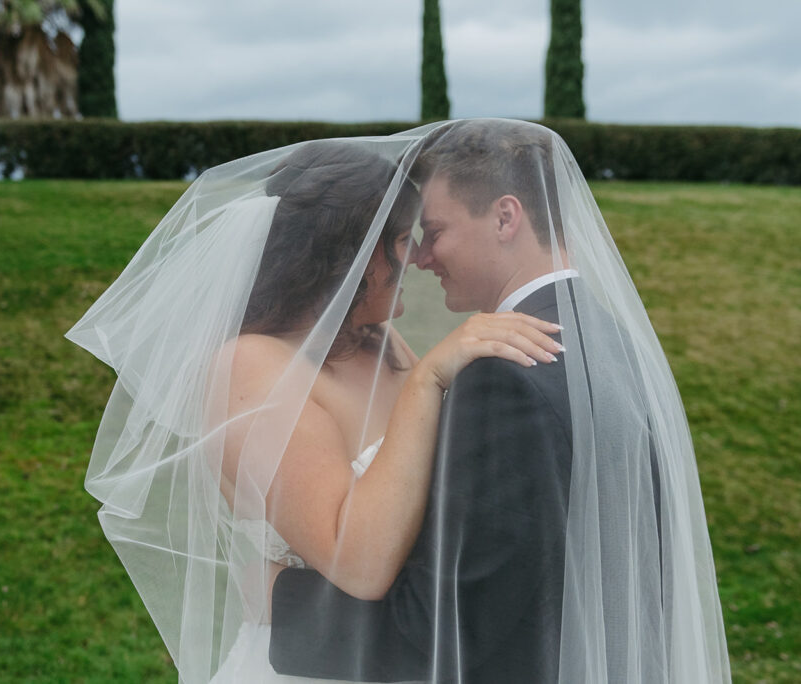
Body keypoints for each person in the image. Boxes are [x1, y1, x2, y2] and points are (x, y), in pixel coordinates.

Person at [65, 134, 561, 684]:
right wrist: (428, 380)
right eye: (400, 240)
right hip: (314, 666)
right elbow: (360, 562)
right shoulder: (248, 368)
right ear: (347, 252)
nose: (418, 259)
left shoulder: (382, 343)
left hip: (396, 652)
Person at [268, 120, 732, 682]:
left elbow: (450, 627)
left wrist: (278, 600)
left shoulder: (505, 376)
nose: (421, 258)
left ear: (505, 217)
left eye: (434, 231)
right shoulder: (610, 340)